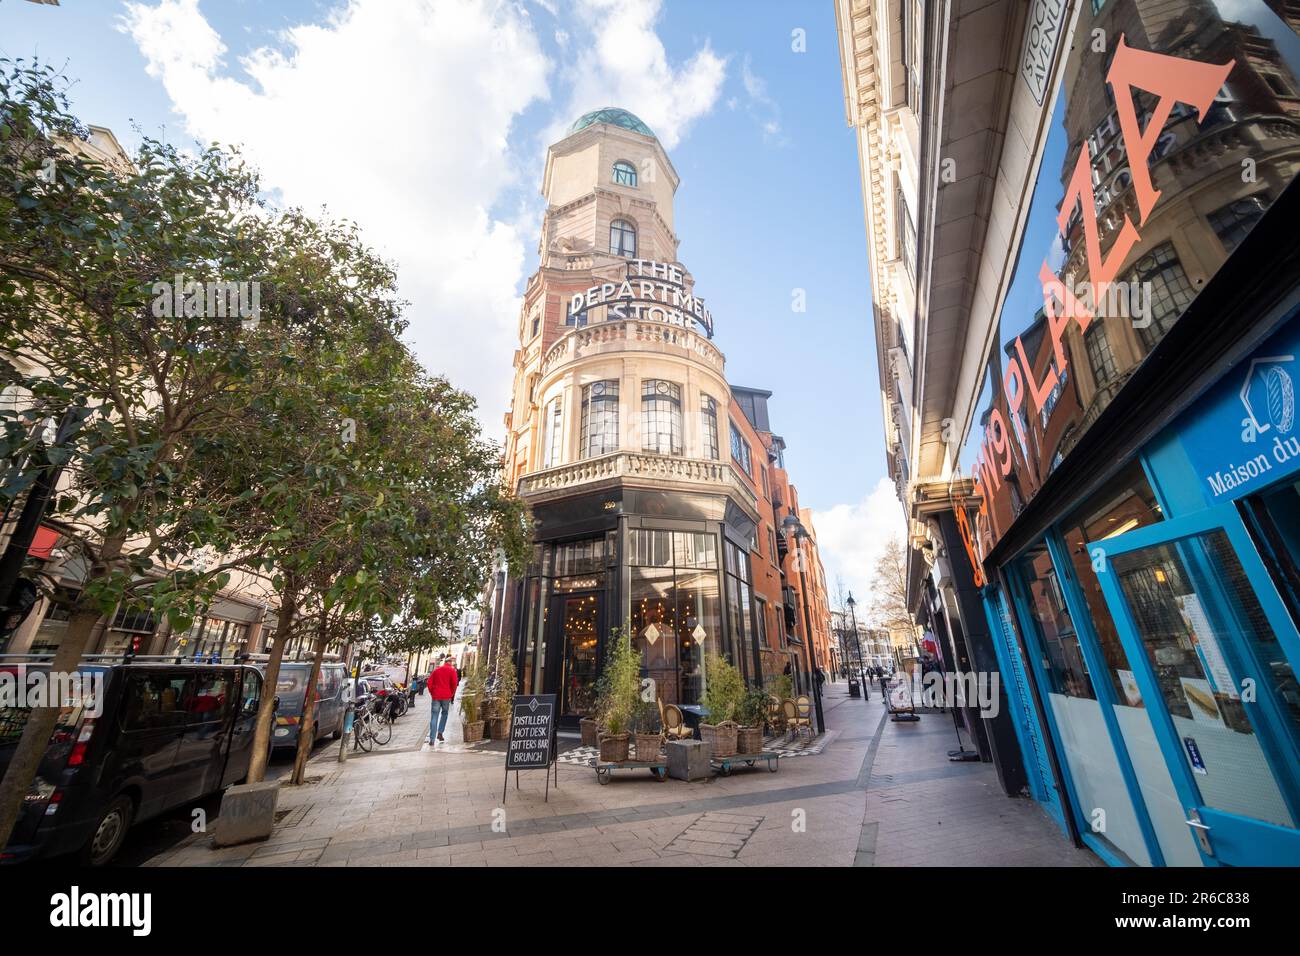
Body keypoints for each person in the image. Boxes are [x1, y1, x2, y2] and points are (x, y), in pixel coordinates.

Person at [427, 655, 459, 744]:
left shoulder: (436, 670)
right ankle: (440, 732)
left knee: (434, 715)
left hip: (436, 696)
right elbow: (454, 683)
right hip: (446, 696)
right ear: (450, 663)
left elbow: (429, 682)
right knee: (444, 713)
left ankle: (432, 739)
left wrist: (432, 692)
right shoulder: (452, 671)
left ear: (444, 662)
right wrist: (451, 694)